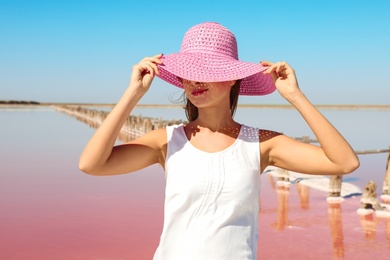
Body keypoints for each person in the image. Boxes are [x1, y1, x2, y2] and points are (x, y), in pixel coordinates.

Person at [79, 22, 359, 259]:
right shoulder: (167, 141)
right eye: (188, 72)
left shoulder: (260, 143)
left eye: (208, 72)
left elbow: (344, 162)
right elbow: (91, 164)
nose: (194, 81)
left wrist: (296, 96)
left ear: (233, 79)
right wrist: (133, 94)